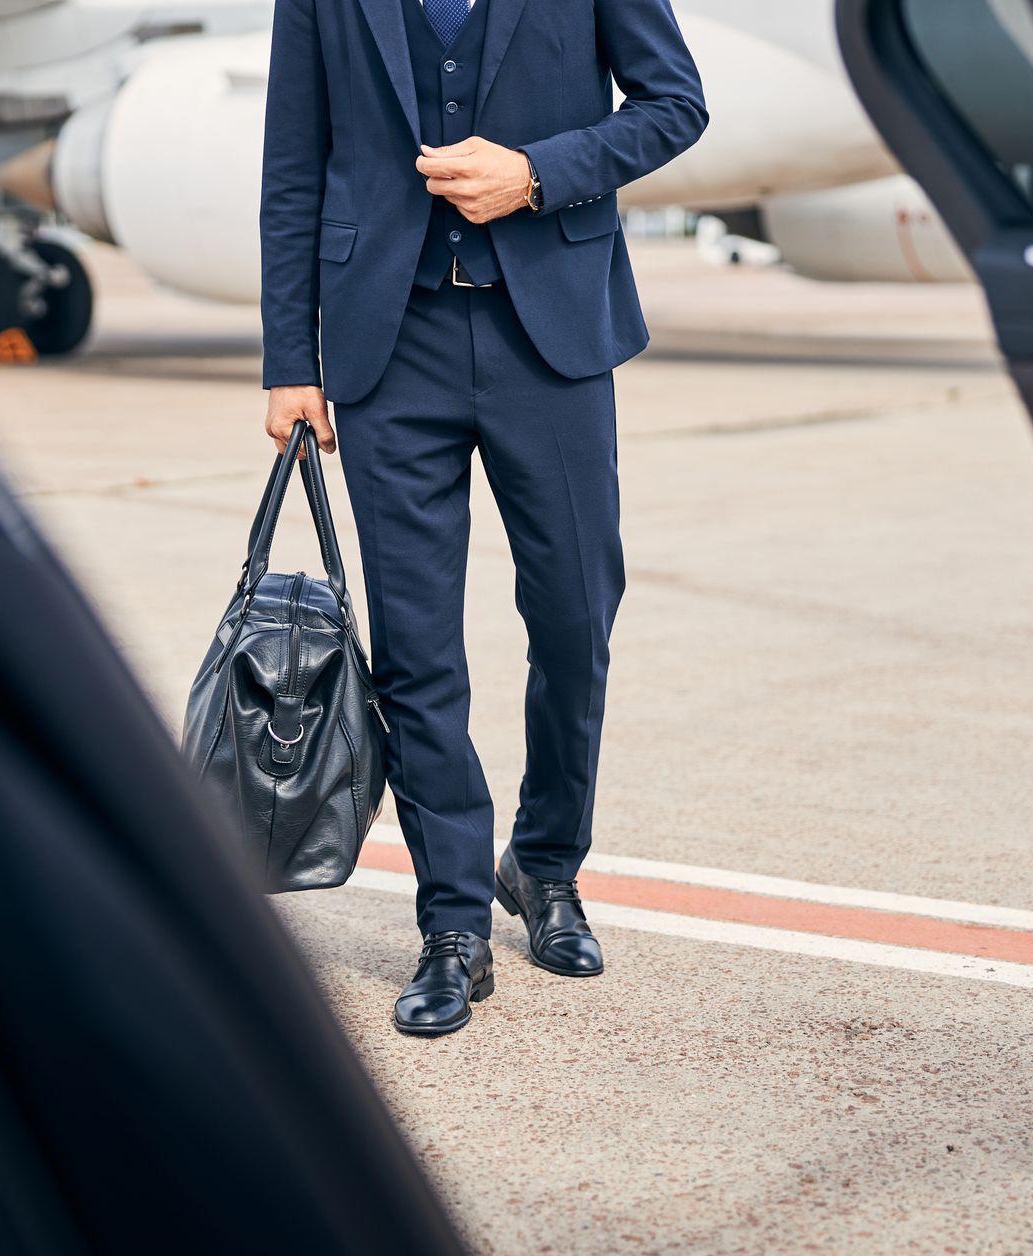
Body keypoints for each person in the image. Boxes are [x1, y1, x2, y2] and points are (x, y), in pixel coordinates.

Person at [258, 0, 706, 1035]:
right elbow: (294, 161)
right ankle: (451, 922)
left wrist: (539, 172)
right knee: (415, 648)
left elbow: (675, 104)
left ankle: (545, 866)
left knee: (576, 615)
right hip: (387, 341)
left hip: (548, 332)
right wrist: (292, 358)